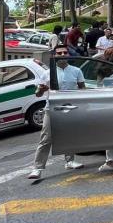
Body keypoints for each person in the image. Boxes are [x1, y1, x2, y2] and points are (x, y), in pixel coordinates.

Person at [28, 45, 86, 179]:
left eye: (65, 52)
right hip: (52, 109)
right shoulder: (47, 73)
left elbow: (83, 88)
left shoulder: (77, 71)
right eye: (60, 53)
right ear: (54, 56)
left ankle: (70, 161)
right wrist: (42, 89)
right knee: (46, 138)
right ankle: (37, 168)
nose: (63, 54)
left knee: (70, 135)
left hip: (71, 108)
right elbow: (37, 94)